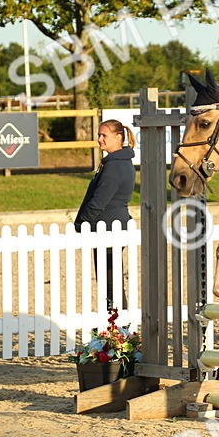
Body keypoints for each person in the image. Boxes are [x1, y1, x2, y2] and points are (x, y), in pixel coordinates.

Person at [75, 119, 137, 305]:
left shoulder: (114, 166)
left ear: (118, 137)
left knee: (110, 285)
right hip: (112, 227)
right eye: (99, 135)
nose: (100, 139)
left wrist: (80, 224)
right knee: (110, 283)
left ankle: (118, 322)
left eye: (104, 135)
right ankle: (116, 321)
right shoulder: (120, 162)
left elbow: (98, 202)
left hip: (108, 229)